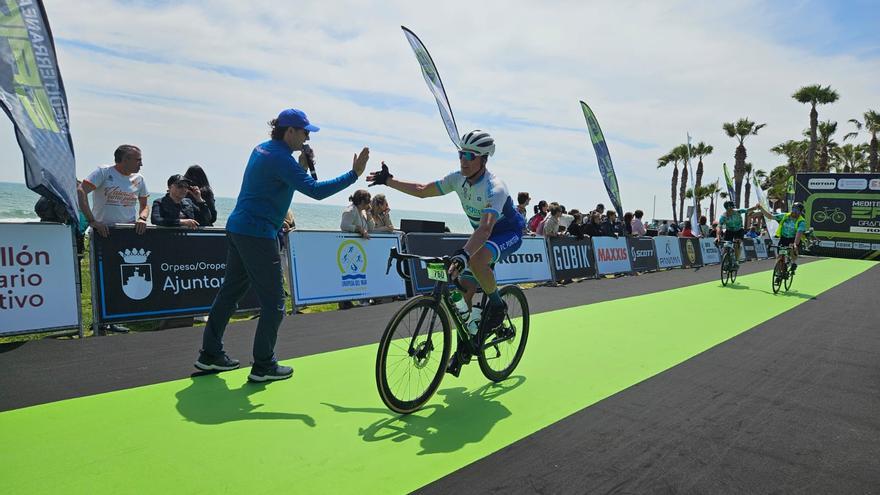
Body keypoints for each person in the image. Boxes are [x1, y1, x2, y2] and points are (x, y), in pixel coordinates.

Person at [196, 108, 369, 382]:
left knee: (229, 294)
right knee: (275, 303)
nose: (308, 137)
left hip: (239, 228)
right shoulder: (281, 159)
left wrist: (300, 164)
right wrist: (354, 174)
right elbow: (316, 191)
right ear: (289, 131)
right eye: (305, 132)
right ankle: (264, 365)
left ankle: (209, 355)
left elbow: (280, 184)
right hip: (257, 234)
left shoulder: (263, 149)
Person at [367, 129, 524, 377]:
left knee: (477, 259)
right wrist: (389, 181)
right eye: (461, 153)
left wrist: (463, 255)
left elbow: (485, 229)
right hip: (481, 236)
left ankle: (497, 306)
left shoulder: (495, 188)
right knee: (463, 289)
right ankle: (466, 346)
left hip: (506, 233)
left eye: (470, 155)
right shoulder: (457, 179)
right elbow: (422, 189)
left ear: (483, 159)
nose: (463, 159)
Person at [78, 144, 150, 333]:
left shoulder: (139, 179)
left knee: (119, 279)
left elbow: (144, 204)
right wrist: (92, 220)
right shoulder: (103, 172)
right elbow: (81, 191)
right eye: (138, 159)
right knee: (102, 277)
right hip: (104, 233)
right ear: (124, 160)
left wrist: (142, 218)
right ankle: (98, 322)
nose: (141, 164)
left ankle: (112, 319)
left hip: (126, 234)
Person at [756, 201, 807, 273]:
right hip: (784, 238)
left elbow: (799, 233)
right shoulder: (785, 216)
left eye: (796, 210)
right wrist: (761, 209)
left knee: (792, 247)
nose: (794, 212)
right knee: (780, 255)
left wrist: (795, 244)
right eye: (793, 209)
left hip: (793, 238)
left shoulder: (801, 222)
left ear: (800, 212)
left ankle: (793, 263)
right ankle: (778, 272)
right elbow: (770, 216)